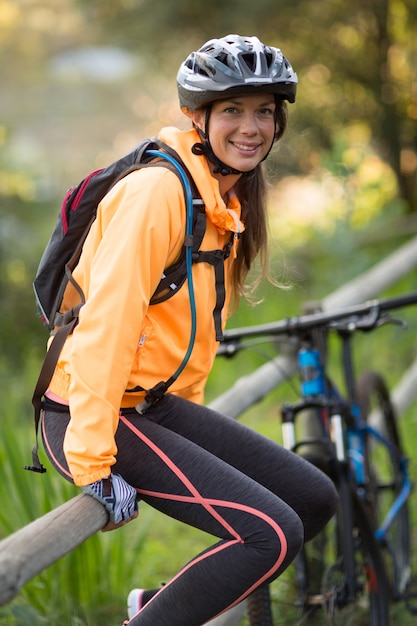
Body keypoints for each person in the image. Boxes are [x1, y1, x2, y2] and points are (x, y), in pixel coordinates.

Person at [41, 34, 338, 625]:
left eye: (263, 111)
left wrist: (192, 426)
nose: (251, 127)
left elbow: (196, 327)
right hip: (91, 410)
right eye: (232, 109)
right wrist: (94, 463)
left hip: (151, 406)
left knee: (314, 498)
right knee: (271, 535)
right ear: (195, 114)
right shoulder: (158, 194)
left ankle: (157, 608)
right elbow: (108, 328)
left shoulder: (221, 198)